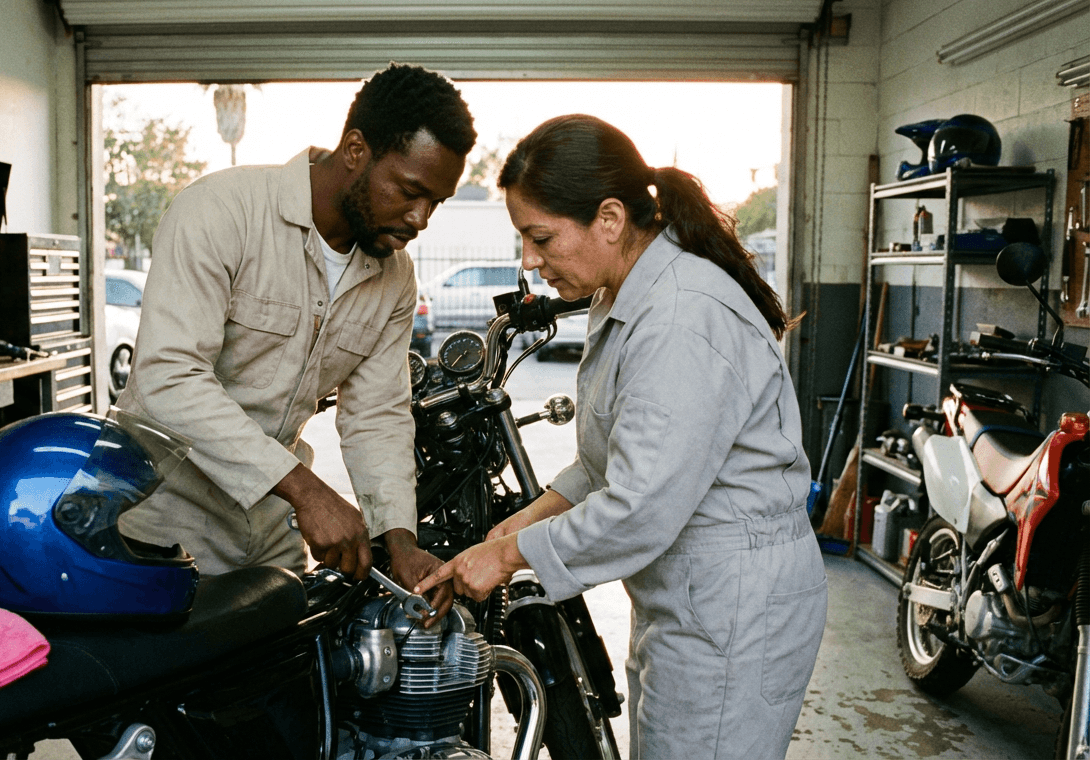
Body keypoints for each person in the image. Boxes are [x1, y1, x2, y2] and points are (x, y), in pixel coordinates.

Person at [415, 114, 827, 757]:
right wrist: (517, 526)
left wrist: (504, 558)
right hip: (691, 596)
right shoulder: (624, 294)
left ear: (609, 219)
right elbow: (608, 460)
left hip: (735, 608)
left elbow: (639, 507)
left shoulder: (682, 317)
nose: (530, 261)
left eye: (542, 237)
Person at [116, 64, 474, 621]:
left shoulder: (394, 277)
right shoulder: (221, 212)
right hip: (157, 532)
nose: (421, 218)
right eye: (410, 191)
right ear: (356, 149)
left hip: (266, 535)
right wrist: (308, 491)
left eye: (437, 202)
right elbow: (167, 378)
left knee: (297, 691)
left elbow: (377, 414)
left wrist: (398, 537)